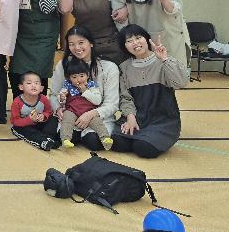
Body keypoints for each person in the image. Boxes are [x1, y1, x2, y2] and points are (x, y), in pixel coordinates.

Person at [112, 24, 189, 158]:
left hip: (162, 120)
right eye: (129, 41)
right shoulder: (124, 68)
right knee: (117, 143)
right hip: (138, 118)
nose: (135, 43)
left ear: (147, 39)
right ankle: (140, 136)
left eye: (138, 38)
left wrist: (165, 59)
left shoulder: (162, 61)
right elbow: (125, 97)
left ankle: (148, 138)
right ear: (125, 47)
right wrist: (130, 117)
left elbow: (181, 82)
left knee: (144, 148)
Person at [48, 25, 121, 150]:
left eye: (81, 42)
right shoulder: (63, 64)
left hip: (98, 117)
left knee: (94, 142)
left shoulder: (109, 67)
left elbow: (112, 104)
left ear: (91, 43)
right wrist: (58, 109)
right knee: (59, 135)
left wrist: (90, 115)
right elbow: (54, 94)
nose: (77, 48)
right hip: (71, 114)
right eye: (72, 44)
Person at [57, 59, 113, 150]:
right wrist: (62, 98)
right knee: (66, 120)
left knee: (98, 123)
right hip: (72, 110)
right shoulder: (68, 86)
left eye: (82, 76)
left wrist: (85, 91)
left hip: (89, 112)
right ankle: (65, 139)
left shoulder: (92, 86)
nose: (79, 79)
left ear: (87, 75)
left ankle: (105, 138)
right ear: (69, 78)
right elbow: (60, 98)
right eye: (74, 77)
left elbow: (97, 101)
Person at [9, 72, 59, 151]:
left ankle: (50, 138)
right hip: (24, 126)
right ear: (21, 87)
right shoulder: (17, 102)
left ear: (41, 88)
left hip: (39, 124)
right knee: (24, 130)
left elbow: (49, 111)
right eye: (29, 83)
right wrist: (30, 120)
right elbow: (15, 121)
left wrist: (44, 116)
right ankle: (43, 142)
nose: (33, 85)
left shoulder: (43, 99)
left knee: (53, 118)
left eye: (36, 83)